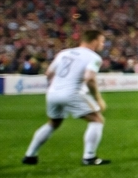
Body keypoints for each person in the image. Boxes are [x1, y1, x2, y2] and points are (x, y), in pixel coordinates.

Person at [22, 28, 110, 166]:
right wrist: (98, 98)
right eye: (102, 42)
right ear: (94, 41)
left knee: (53, 123)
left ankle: (30, 155)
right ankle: (89, 157)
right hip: (72, 92)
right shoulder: (93, 57)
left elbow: (49, 74)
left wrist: (56, 88)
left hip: (53, 93)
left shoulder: (64, 53)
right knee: (97, 120)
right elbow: (90, 78)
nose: (103, 45)